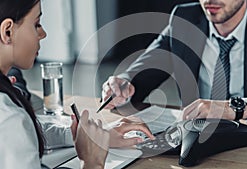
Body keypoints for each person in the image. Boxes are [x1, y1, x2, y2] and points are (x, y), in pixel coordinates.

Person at [0, 0, 154, 169]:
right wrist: (92, 162)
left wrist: (84, 135)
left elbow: (22, 133)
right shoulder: (10, 118)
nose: (43, 33)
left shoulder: (12, 121)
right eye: (37, 24)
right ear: (7, 31)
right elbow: (15, 128)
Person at [101, 0, 247, 125]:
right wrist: (124, 83)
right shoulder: (183, 17)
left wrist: (235, 109)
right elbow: (148, 66)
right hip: (197, 138)